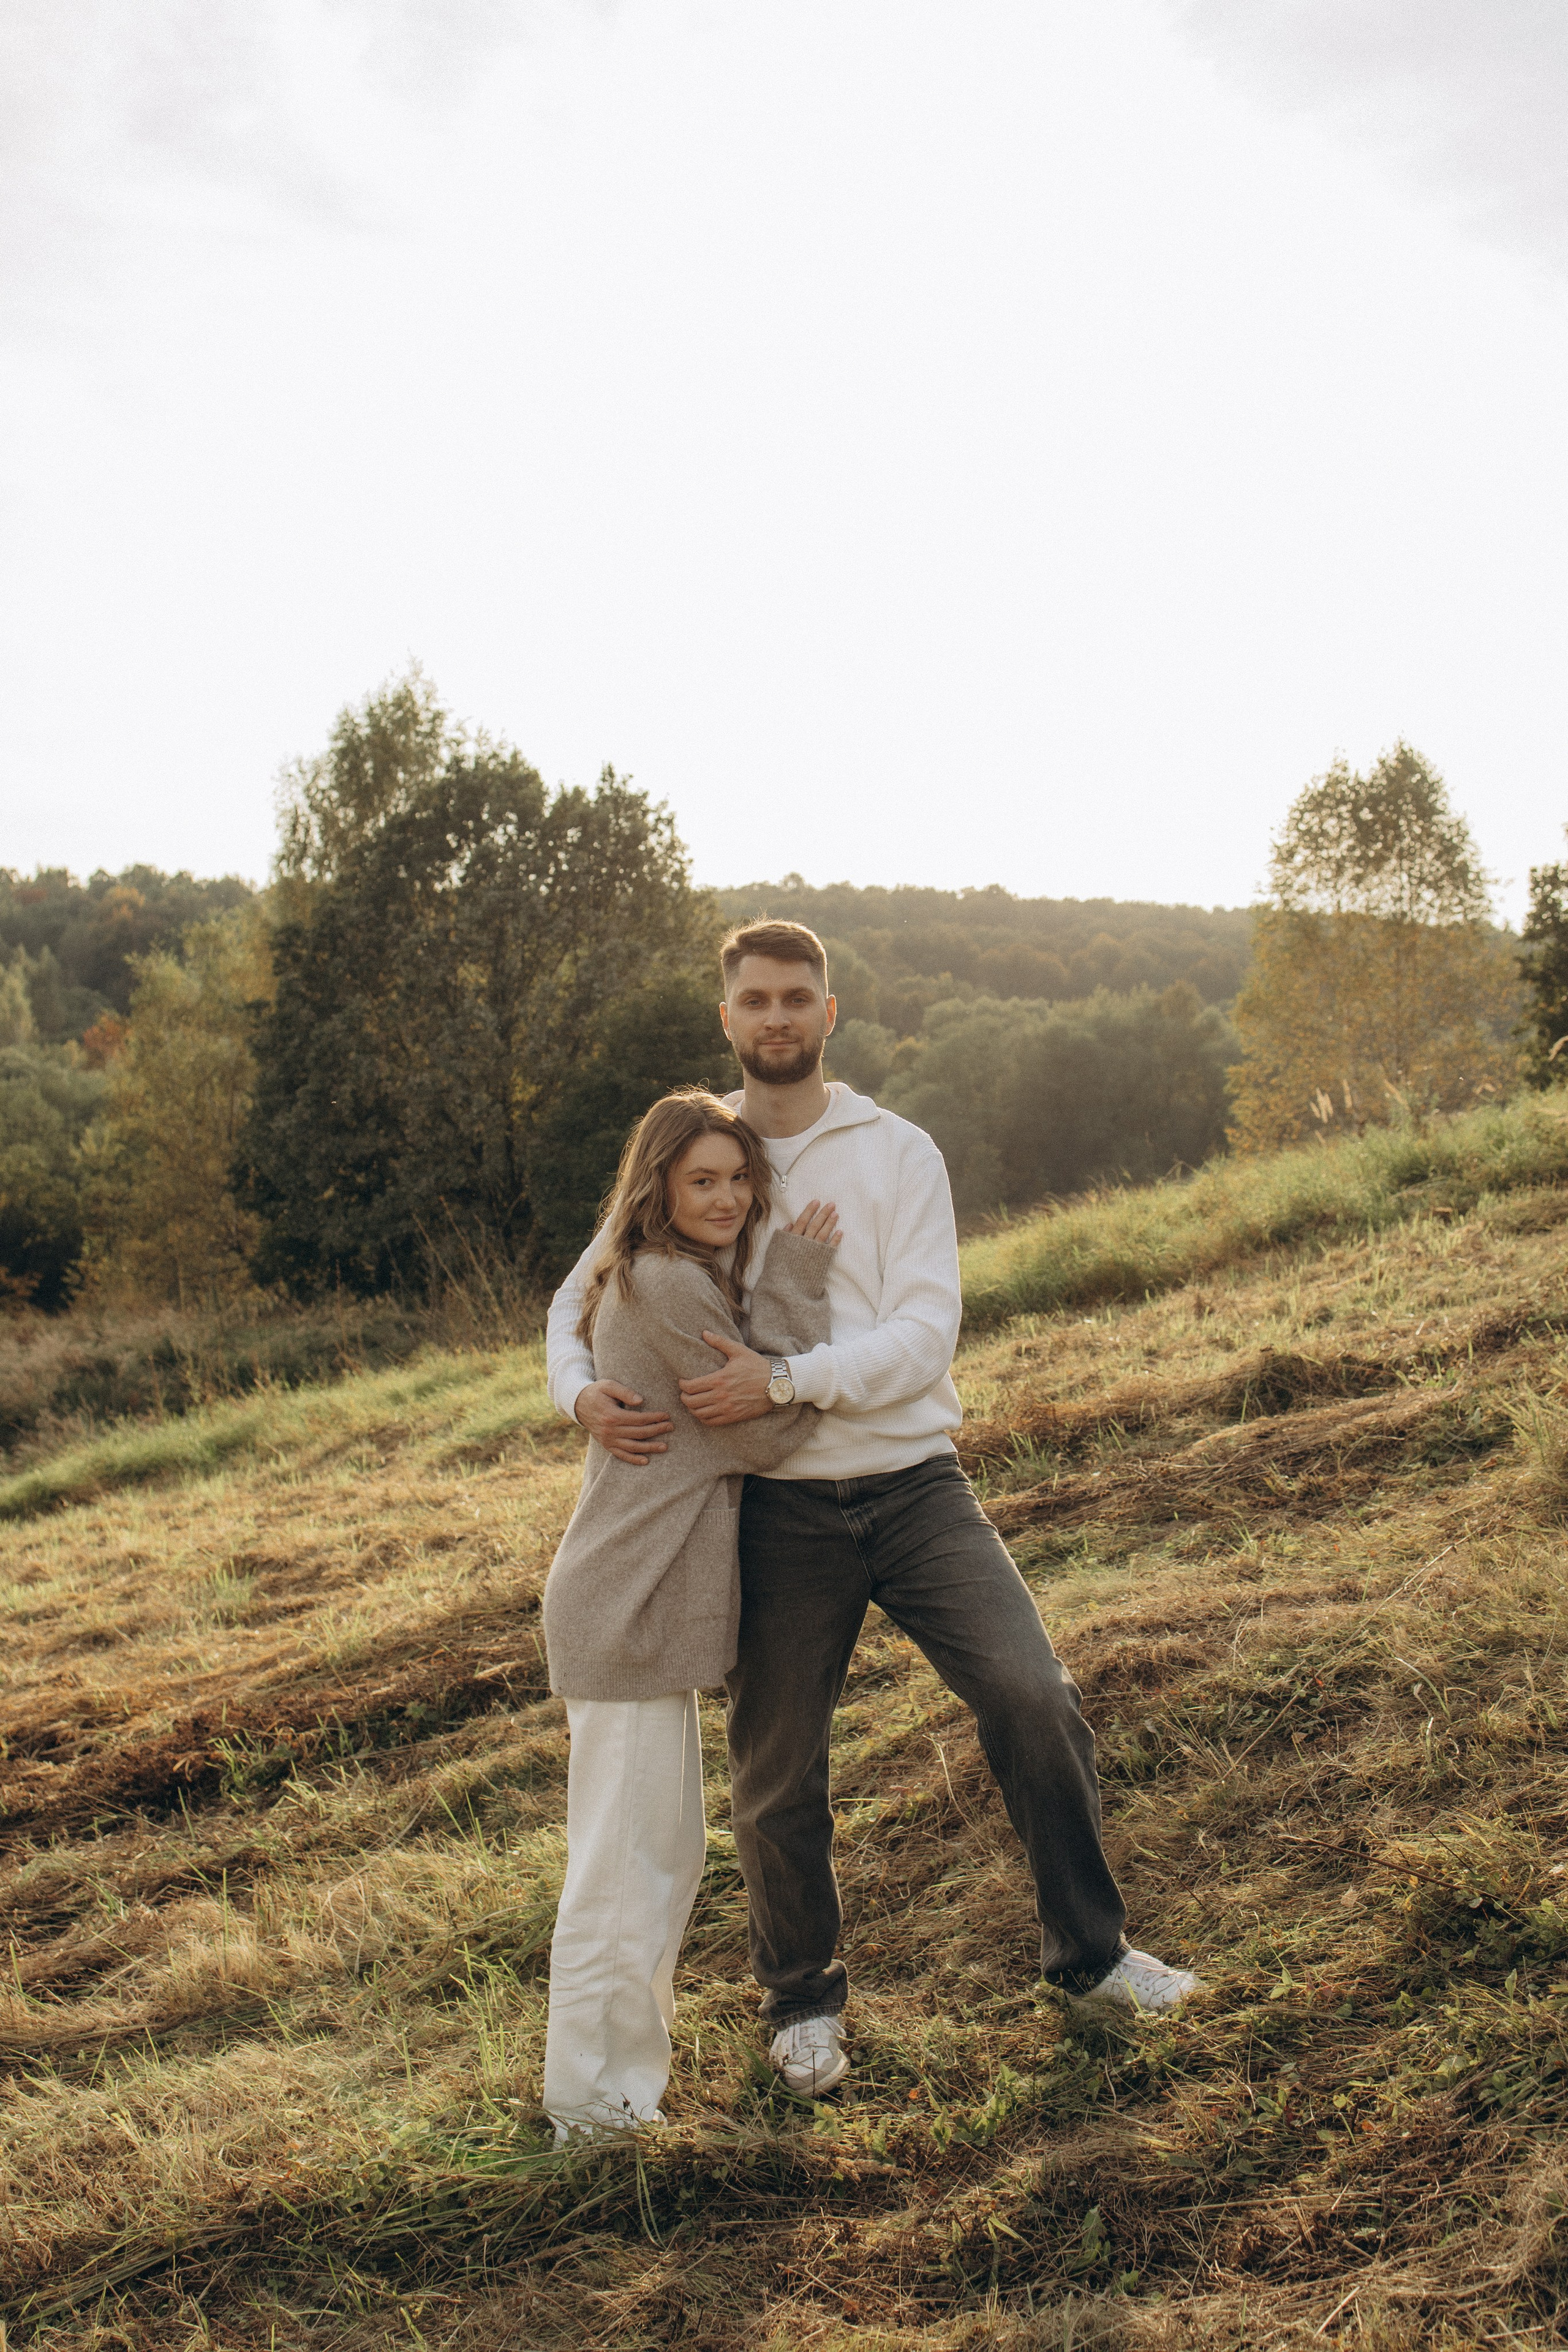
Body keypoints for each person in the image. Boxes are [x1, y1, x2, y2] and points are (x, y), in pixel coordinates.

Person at [547, 921, 1198, 2103]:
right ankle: (802, 2005)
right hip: (777, 1515)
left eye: (799, 997)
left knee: (1032, 1694)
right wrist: (577, 1390)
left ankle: (1091, 1960)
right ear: (729, 1018)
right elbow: (577, 1293)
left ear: (830, 1013)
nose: (778, 1017)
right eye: (757, 1000)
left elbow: (923, 1332)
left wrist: (788, 1380)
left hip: (914, 1486)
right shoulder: (707, 1149)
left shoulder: (896, 1152)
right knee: (777, 1767)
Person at [540, 1088, 840, 2138]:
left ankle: (622, 2093)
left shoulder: (669, 1277)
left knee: (654, 1866)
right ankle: (591, 2109)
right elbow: (761, 1435)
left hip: (640, 1611)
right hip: (626, 1610)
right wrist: (800, 1287)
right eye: (701, 1180)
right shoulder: (667, 1284)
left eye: (738, 1178)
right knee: (623, 1874)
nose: (725, 1197)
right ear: (659, 1189)